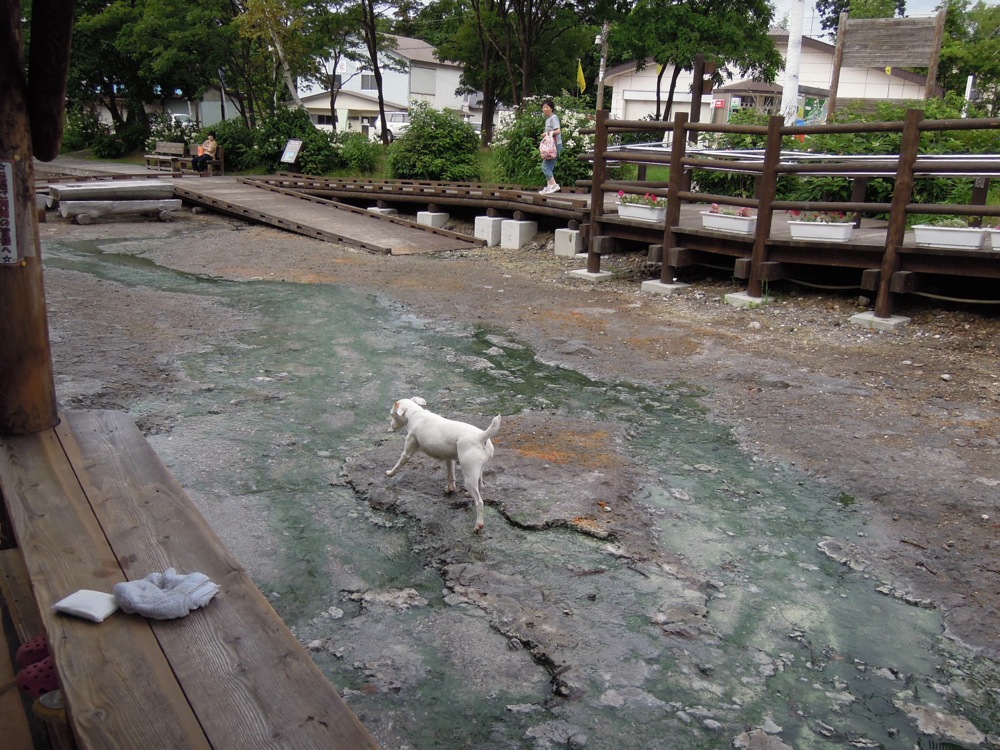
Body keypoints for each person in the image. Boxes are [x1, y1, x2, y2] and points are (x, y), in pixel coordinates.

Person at [539, 99, 561, 194]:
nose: (544, 109)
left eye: (547, 107)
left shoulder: (554, 118)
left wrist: (547, 133)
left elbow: (558, 131)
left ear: (551, 108)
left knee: (545, 167)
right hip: (550, 146)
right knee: (549, 167)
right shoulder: (548, 119)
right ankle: (549, 187)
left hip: (555, 145)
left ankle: (554, 185)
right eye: (543, 107)